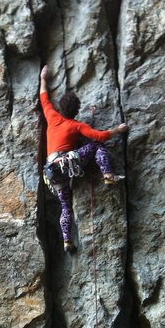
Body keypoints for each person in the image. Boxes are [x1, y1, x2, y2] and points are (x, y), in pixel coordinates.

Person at [39, 65, 128, 253]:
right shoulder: (76, 125)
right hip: (66, 163)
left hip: (52, 173)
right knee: (96, 146)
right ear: (77, 110)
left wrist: (43, 78)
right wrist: (118, 130)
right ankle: (108, 174)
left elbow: (44, 97)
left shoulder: (51, 116)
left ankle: (67, 241)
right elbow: (100, 136)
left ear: (61, 107)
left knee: (65, 205)